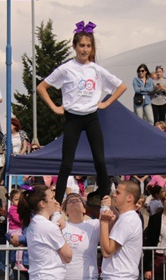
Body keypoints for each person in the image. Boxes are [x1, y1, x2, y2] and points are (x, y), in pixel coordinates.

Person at [37, 21, 127, 203]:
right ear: (74, 46)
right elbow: (42, 87)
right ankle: (58, 202)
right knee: (67, 163)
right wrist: (54, 107)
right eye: (81, 46)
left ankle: (105, 200)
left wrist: (106, 103)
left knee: (100, 161)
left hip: (91, 117)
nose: (85, 49)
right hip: (72, 118)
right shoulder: (66, 68)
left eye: (88, 46)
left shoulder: (96, 69)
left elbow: (121, 86)